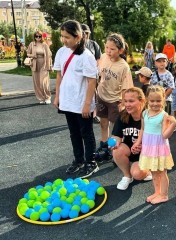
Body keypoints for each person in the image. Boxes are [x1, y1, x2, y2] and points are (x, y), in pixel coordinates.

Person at [52, 20, 99, 178]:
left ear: (78, 37)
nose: (63, 40)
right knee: (74, 133)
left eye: (67, 37)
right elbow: (59, 75)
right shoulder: (61, 52)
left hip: (81, 103)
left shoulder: (87, 56)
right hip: (67, 101)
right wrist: (57, 96)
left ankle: (91, 162)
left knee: (86, 132)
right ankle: (78, 160)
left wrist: (87, 104)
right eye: (62, 36)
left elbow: (92, 81)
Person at [132, 86, 176, 204]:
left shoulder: (164, 115)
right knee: (153, 171)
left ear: (164, 100)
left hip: (159, 147)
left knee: (162, 172)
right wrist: (137, 142)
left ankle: (164, 195)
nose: (155, 104)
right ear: (147, 100)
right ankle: (157, 192)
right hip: (148, 148)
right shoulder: (145, 113)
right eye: (152, 101)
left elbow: (165, 135)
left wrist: (173, 125)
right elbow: (142, 129)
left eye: (158, 101)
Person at [95, 32, 133, 162]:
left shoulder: (124, 66)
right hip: (101, 96)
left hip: (114, 100)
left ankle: (113, 149)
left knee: (115, 127)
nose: (108, 51)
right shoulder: (104, 57)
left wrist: (123, 103)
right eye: (107, 48)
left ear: (120, 50)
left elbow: (126, 87)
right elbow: (98, 73)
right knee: (103, 123)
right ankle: (104, 145)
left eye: (112, 49)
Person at [112, 87, 152, 190]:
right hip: (130, 151)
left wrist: (143, 146)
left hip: (147, 154)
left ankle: (149, 170)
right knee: (116, 150)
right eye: (125, 101)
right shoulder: (123, 115)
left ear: (141, 101)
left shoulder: (150, 117)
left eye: (131, 101)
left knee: (138, 174)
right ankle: (127, 176)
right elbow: (116, 136)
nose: (127, 104)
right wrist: (113, 143)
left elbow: (159, 141)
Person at [81, 24, 102, 124]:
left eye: (86, 32)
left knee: (94, 94)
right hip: (80, 75)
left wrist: (95, 70)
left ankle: (95, 114)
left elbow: (98, 59)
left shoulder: (94, 44)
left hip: (93, 74)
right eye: (83, 32)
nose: (85, 34)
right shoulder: (77, 45)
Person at [27, 30, 52, 104]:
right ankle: (41, 98)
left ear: (42, 37)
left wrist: (48, 66)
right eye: (36, 36)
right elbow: (28, 53)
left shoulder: (44, 44)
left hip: (44, 64)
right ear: (34, 37)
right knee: (37, 82)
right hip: (35, 64)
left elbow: (49, 55)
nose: (38, 38)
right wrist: (32, 55)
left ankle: (47, 97)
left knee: (43, 82)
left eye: (39, 36)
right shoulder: (32, 44)